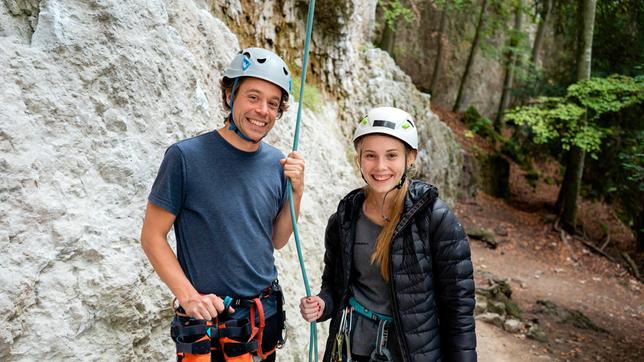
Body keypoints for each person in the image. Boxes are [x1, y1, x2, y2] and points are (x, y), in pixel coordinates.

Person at [141, 47, 305, 362]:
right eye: (253, 97)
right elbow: (152, 236)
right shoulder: (186, 157)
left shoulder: (276, 162)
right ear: (230, 95)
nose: (263, 111)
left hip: (262, 316)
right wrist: (188, 297)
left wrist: (296, 192)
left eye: (273, 103)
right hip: (213, 324)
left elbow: (278, 239)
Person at [299, 107, 477, 362]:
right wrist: (322, 304)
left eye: (391, 155)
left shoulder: (436, 220)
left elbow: (458, 310)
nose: (380, 166)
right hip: (351, 346)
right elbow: (335, 286)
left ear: (410, 157)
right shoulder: (343, 220)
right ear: (358, 159)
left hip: (407, 352)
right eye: (370, 155)